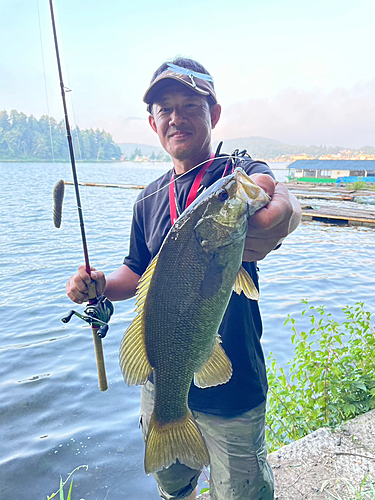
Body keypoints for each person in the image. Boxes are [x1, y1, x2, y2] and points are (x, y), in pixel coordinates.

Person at [66, 57, 301, 500]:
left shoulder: (232, 172)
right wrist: (98, 284)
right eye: (165, 109)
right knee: (174, 488)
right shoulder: (148, 200)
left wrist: (283, 209)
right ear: (153, 125)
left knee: (241, 492)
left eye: (190, 105)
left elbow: (268, 185)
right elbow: (135, 273)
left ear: (213, 114)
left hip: (234, 384)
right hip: (162, 383)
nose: (177, 117)